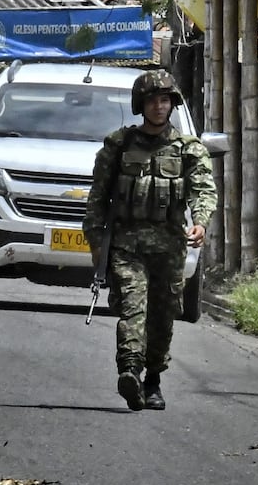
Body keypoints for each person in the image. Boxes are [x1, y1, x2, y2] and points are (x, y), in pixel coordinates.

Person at [82, 69, 216, 412]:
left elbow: (203, 189)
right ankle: (129, 370)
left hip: (170, 247)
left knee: (162, 316)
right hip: (127, 245)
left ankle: (153, 380)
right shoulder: (119, 145)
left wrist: (200, 222)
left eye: (165, 100)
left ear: (172, 105)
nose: (159, 106)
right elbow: (98, 198)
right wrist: (96, 241)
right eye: (152, 100)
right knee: (132, 307)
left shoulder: (189, 149)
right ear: (140, 105)